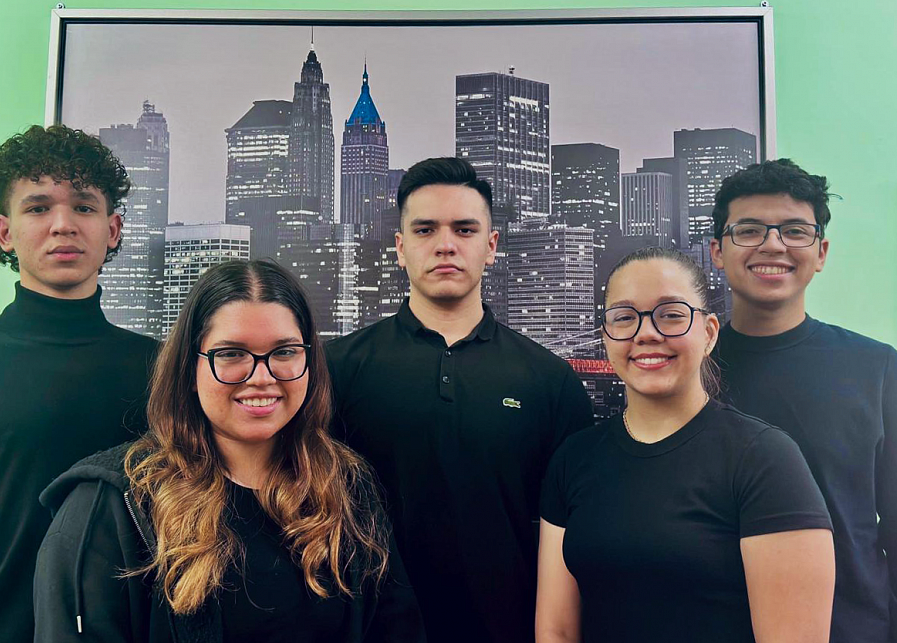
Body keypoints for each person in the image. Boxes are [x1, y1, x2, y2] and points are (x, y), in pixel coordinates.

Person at [33, 259, 424, 642]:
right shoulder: (112, 503)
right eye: (232, 354)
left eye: (285, 352)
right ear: (190, 369)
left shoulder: (346, 486)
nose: (261, 377)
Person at [326, 157, 595, 643]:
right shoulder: (336, 369)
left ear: (491, 246)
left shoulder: (550, 382)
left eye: (465, 229)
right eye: (425, 229)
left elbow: (577, 542)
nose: (445, 244)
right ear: (400, 248)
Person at [536, 246, 835, 643]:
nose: (646, 333)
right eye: (624, 317)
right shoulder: (574, 459)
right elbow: (555, 630)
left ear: (709, 333)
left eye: (671, 315)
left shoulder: (766, 460)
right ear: (606, 336)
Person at [0, 124, 157, 643]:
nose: (63, 225)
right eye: (37, 208)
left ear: (113, 229)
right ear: (4, 233)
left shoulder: (161, 370)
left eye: (83, 206)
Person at [710, 159, 897, 642]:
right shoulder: (689, 371)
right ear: (717, 251)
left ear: (821, 252)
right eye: (749, 230)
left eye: (795, 231)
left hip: (852, 630)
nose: (773, 245)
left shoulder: (877, 368)